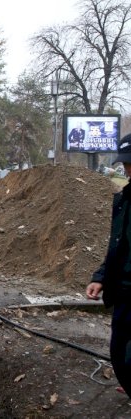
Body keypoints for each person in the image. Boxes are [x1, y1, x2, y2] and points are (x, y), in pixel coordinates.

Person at [86, 133, 131, 397]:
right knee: (119, 354)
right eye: (126, 164)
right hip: (123, 294)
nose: (127, 170)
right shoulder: (123, 201)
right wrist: (100, 276)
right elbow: (117, 247)